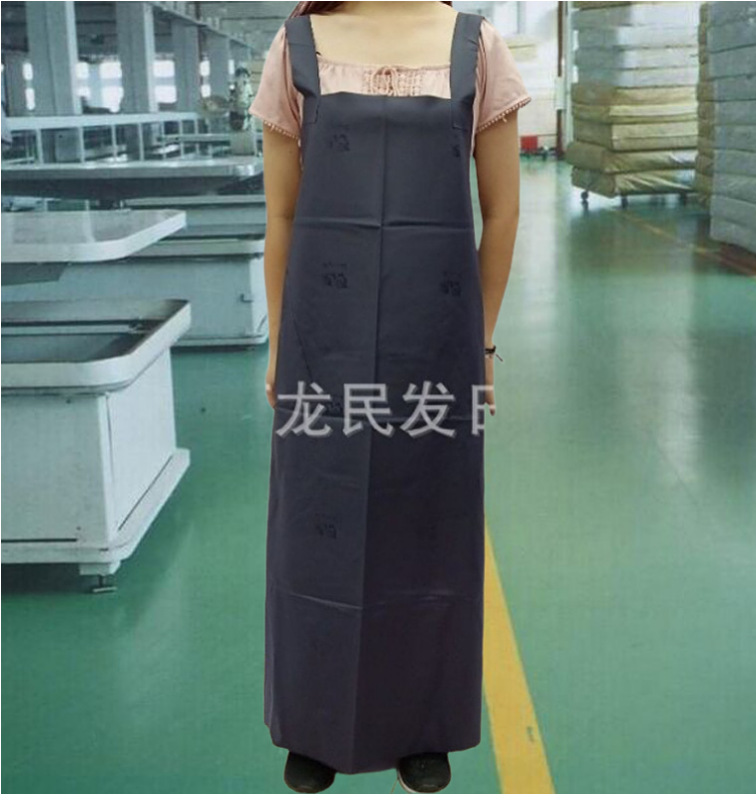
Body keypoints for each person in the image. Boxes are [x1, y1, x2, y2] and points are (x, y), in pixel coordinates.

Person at [249, 0, 528, 793]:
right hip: (322, 348)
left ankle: (423, 724)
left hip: (434, 345)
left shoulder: (477, 47)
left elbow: (502, 210)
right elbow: (281, 214)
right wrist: (281, 343)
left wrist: (480, 343)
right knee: (316, 532)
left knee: (427, 529)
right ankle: (315, 722)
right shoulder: (297, 46)